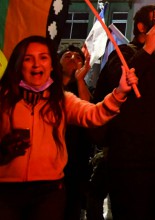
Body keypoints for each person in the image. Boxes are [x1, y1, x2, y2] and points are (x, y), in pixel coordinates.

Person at [0, 35, 137, 220]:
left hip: (48, 192)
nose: (36, 64)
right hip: (6, 192)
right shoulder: (4, 99)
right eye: (28, 58)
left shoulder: (61, 99)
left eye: (43, 57)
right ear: (18, 63)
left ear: (50, 65)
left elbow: (94, 115)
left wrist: (120, 92)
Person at [91, 4, 155, 220]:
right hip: (131, 160)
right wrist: (147, 49)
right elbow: (119, 87)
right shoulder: (123, 55)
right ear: (141, 26)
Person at [58, 45, 94, 220]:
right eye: (67, 56)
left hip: (76, 160)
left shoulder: (82, 89)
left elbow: (89, 111)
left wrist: (80, 81)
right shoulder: (47, 87)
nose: (73, 58)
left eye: (78, 57)